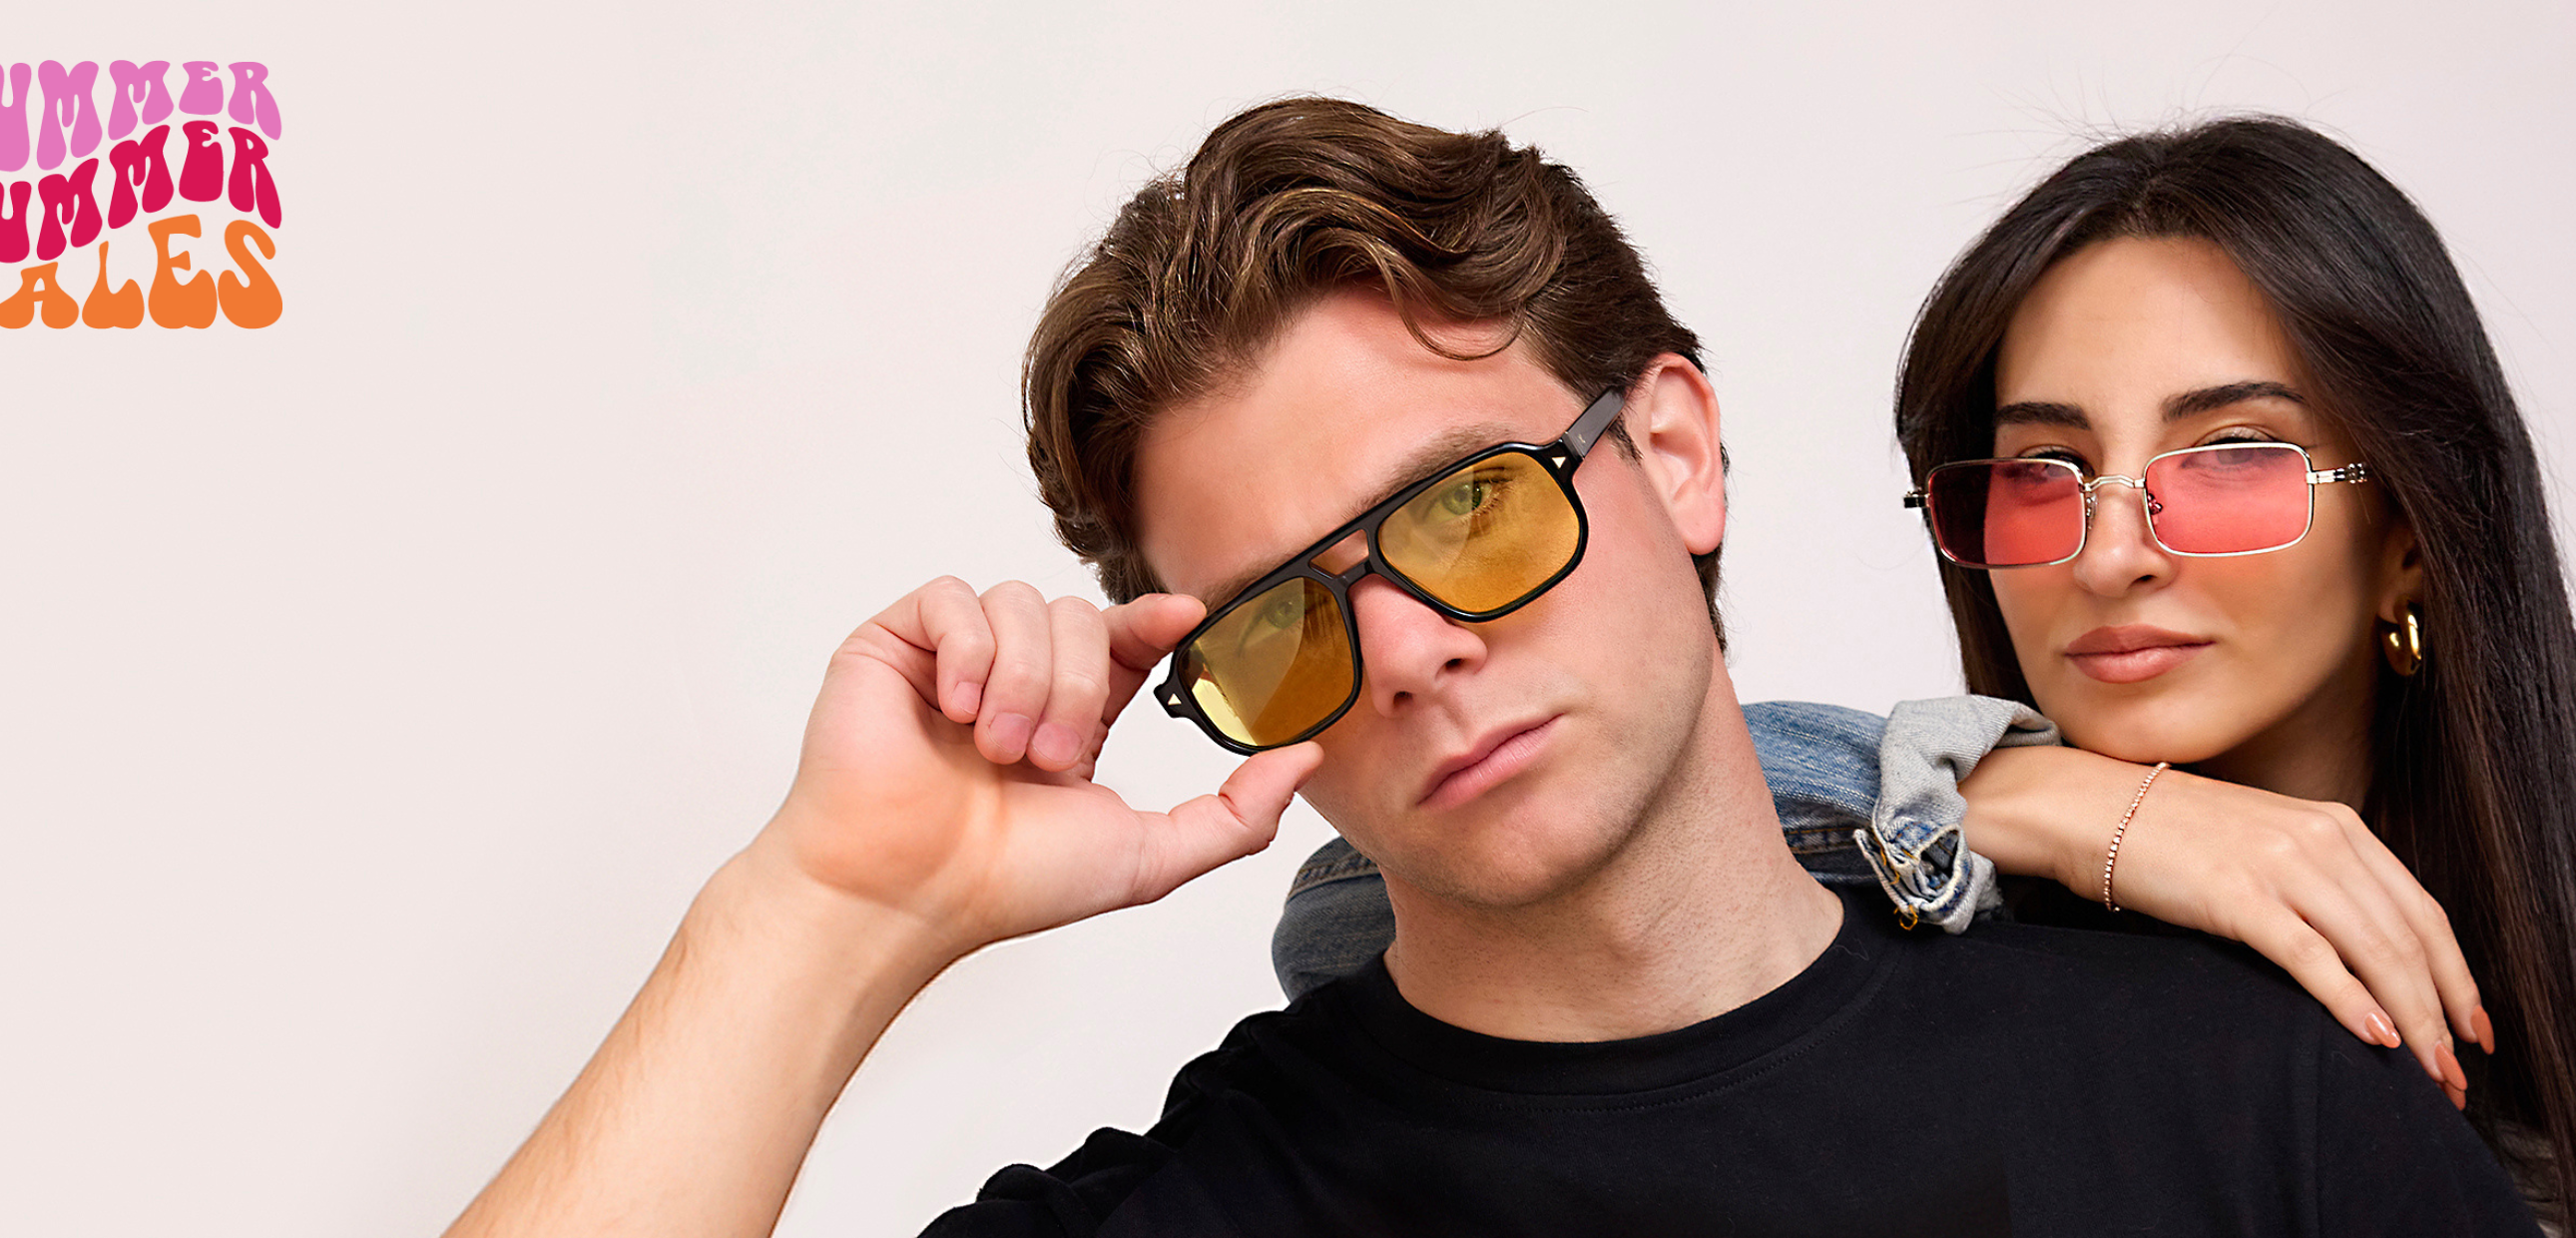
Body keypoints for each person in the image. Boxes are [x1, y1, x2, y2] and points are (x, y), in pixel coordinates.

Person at [442, 99, 2536, 1237]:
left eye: (1464, 507)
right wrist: (825, 909)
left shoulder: (2237, 1091)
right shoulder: (1205, 1209)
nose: (1410, 648)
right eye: (1283, 616)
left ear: (1676, 452)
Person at [1271, 115, 2576, 1227]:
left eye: (2229, 455)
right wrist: (2033, 805)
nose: (2108, 553)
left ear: (2409, 538)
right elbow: (1350, 908)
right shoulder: (1929, 942)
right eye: (2041, 469)